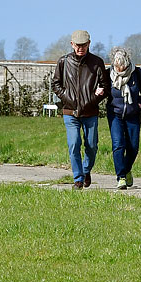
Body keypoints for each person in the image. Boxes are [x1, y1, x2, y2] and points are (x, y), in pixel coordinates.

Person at [52, 30, 110, 189]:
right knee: (74, 144)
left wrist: (93, 99)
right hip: (70, 111)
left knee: (92, 146)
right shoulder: (63, 61)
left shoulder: (97, 62)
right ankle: (78, 179)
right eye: (77, 45)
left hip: (90, 112)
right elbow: (55, 84)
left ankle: (85, 170)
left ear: (89, 44)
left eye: (83, 45)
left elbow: (105, 86)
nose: (80, 48)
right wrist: (67, 98)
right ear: (72, 44)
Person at [106, 47, 141, 190]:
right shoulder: (108, 74)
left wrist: (140, 103)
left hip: (133, 114)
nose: (120, 69)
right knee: (118, 144)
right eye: (117, 67)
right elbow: (103, 91)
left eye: (122, 67)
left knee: (133, 147)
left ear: (127, 63)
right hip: (115, 114)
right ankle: (121, 177)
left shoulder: (137, 73)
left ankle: (127, 169)